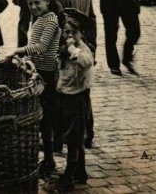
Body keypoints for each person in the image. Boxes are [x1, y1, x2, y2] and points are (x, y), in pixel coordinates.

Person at [5, 0, 63, 180]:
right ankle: (44, 157)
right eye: (30, 3)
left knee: (46, 118)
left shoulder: (51, 20)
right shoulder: (39, 20)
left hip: (47, 75)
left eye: (38, 2)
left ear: (47, 2)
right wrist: (25, 61)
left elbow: (42, 47)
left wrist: (18, 51)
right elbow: (34, 48)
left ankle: (49, 159)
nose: (34, 7)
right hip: (37, 72)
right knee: (38, 116)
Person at [41, 0, 97, 148]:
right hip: (83, 46)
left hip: (65, 49)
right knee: (83, 93)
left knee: (61, 95)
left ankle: (59, 139)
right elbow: (92, 20)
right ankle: (87, 135)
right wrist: (91, 49)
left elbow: (56, 27)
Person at [54, 11, 95, 192]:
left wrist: (71, 48)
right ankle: (80, 171)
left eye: (73, 32)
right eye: (66, 32)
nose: (69, 36)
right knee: (74, 137)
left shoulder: (83, 50)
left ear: (81, 33)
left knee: (74, 138)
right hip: (65, 96)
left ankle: (69, 176)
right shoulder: (64, 51)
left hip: (77, 98)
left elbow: (85, 62)